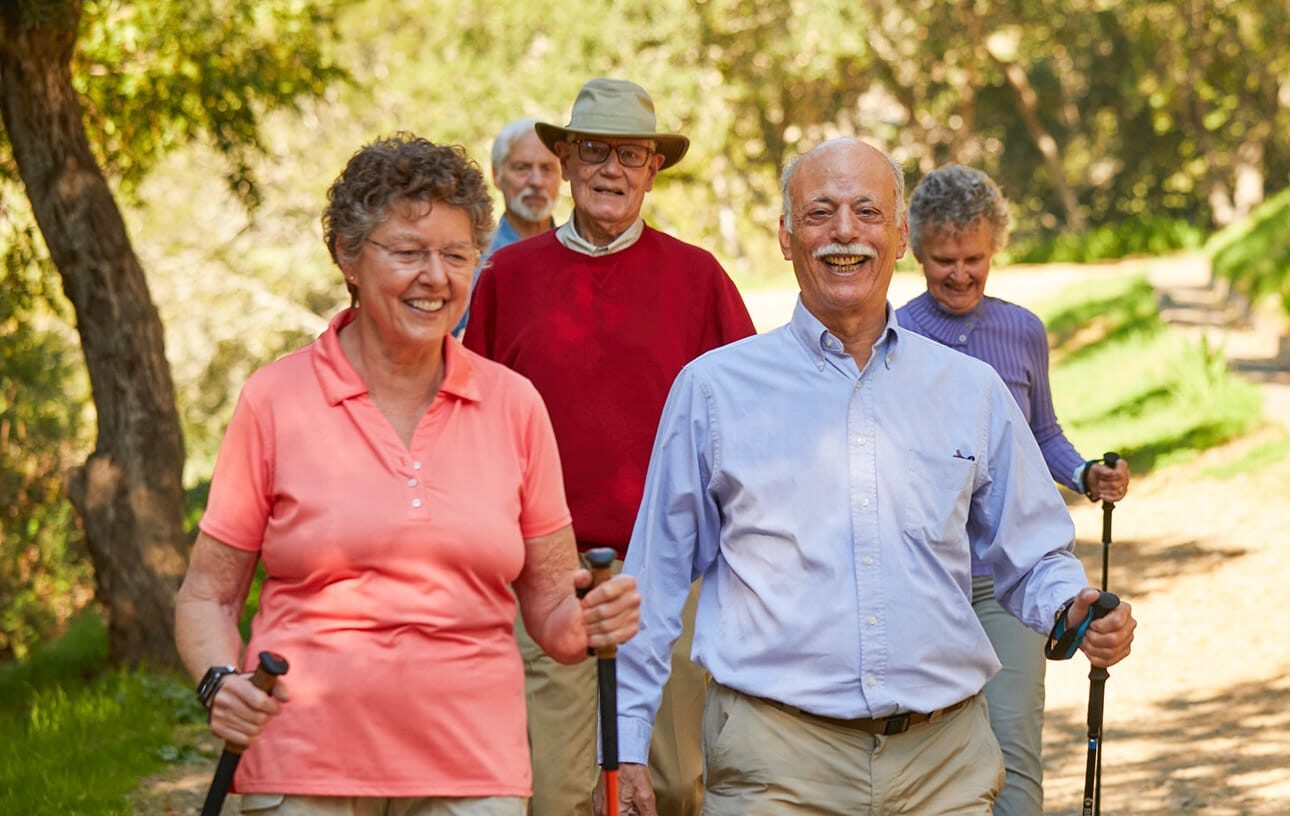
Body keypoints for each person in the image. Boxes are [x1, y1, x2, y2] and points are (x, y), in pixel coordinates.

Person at [608, 138, 1136, 816]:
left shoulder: (969, 390)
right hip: (775, 764)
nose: (845, 232)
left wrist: (1073, 605)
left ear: (900, 233)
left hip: (945, 765)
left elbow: (1034, 554)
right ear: (785, 235)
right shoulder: (713, 392)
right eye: (820, 212)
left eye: (867, 210)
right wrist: (623, 747)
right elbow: (653, 582)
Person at [174, 134, 640, 816]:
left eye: (456, 256)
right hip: (305, 764)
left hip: (474, 769)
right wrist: (221, 682)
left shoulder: (513, 404)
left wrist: (592, 619)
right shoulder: (275, 401)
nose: (437, 277)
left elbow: (551, 611)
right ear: (348, 257)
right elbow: (206, 598)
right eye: (407, 252)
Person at [464, 78, 756, 816]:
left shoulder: (697, 278)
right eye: (594, 150)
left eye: (631, 154)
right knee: (557, 791)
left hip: (672, 565)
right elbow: (470, 422)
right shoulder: (507, 277)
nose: (611, 169)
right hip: (549, 569)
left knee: (678, 784)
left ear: (654, 169)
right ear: (563, 159)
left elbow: (753, 423)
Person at [896, 164, 1131, 816]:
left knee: (1012, 744)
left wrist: (1085, 474)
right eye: (945, 260)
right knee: (924, 750)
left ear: (994, 249)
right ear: (916, 251)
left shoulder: (1022, 330)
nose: (961, 274)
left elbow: (1042, 433)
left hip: (1010, 579)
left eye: (974, 258)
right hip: (925, 576)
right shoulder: (894, 335)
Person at [453, 118, 562, 335]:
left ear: (562, 174)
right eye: (522, 168)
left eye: (547, 169)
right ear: (497, 175)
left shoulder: (581, 254)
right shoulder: (472, 259)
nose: (537, 182)